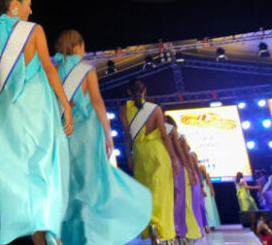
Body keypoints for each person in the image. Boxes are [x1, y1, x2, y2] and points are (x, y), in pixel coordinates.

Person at [0, 0, 73, 245]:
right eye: (28, 4)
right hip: (38, 109)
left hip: (9, 113)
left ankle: (41, 240)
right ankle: (53, 236)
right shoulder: (34, 30)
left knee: (25, 178)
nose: (30, 10)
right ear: (15, 5)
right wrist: (65, 103)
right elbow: (47, 67)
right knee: (44, 169)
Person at [54, 30, 152, 245]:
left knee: (70, 185)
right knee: (91, 184)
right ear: (78, 47)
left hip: (65, 133)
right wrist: (108, 133)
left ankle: (72, 237)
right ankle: (91, 237)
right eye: (83, 46)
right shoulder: (86, 70)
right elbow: (97, 102)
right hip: (88, 133)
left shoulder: (55, 71)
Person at [120, 79, 179, 245]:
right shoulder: (156, 109)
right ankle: (161, 229)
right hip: (159, 153)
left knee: (146, 193)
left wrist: (128, 156)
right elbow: (164, 136)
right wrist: (174, 158)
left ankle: (150, 227)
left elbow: (126, 136)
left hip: (140, 154)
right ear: (145, 91)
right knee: (162, 193)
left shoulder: (124, 110)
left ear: (129, 92)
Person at [162, 115, 202, 242]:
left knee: (170, 199)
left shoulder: (161, 134)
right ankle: (182, 230)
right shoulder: (179, 136)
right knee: (182, 199)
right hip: (179, 167)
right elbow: (183, 154)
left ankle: (171, 229)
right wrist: (190, 172)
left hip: (165, 166)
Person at [200, 164, 221, 229]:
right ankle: (210, 224)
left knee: (208, 206)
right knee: (208, 206)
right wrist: (212, 189)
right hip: (204, 188)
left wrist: (212, 189)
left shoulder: (202, 169)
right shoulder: (201, 169)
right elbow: (208, 180)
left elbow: (208, 180)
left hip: (205, 188)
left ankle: (210, 224)